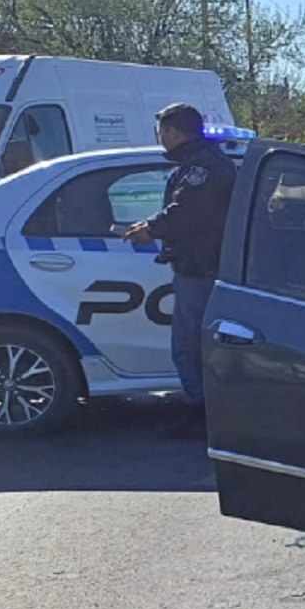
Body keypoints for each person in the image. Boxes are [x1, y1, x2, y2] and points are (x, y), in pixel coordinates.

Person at [122, 103, 235, 440]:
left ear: (172, 132)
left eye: (161, 133)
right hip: (202, 266)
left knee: (188, 346)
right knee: (196, 345)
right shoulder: (203, 162)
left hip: (201, 269)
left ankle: (200, 415)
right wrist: (154, 224)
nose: (160, 139)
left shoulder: (203, 168)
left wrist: (150, 230)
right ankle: (206, 411)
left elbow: (189, 212)